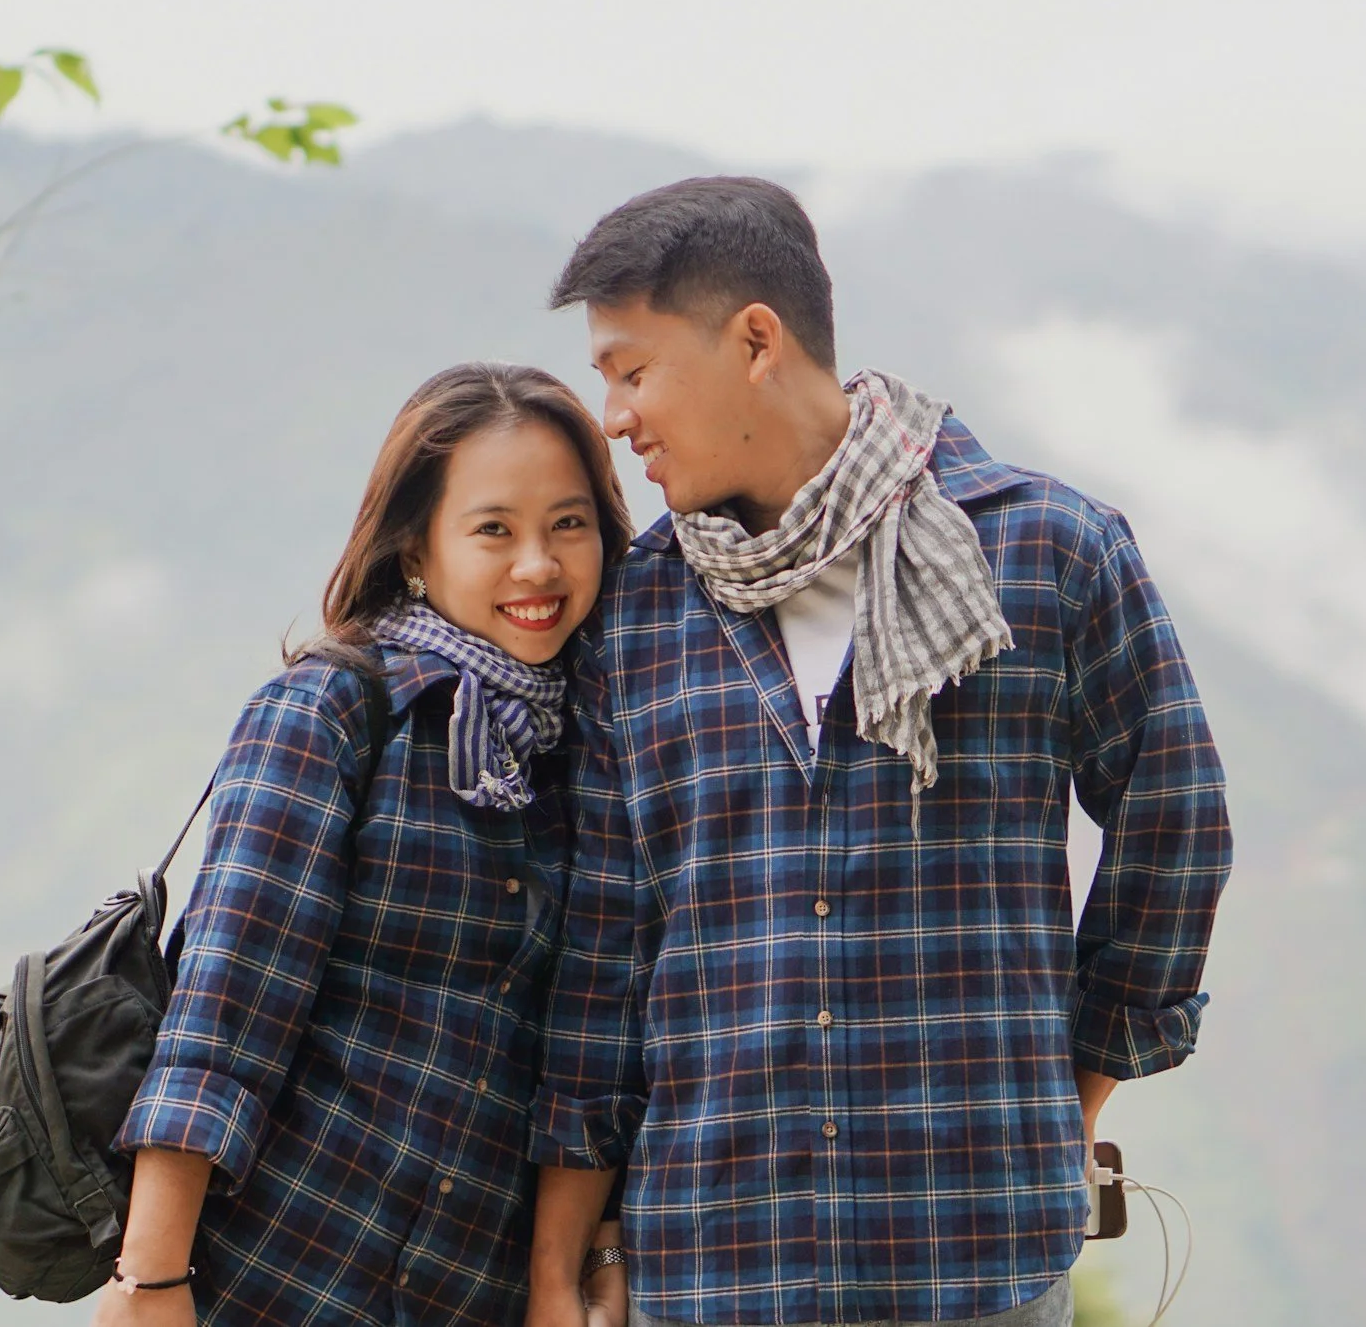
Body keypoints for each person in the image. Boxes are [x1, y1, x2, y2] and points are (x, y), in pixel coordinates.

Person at [524, 179, 1233, 1327]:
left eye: (631, 368)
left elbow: (1178, 821)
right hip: (710, 1270)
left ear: (756, 339)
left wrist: (1068, 1092)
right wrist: (567, 1262)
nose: (612, 415)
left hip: (977, 1260)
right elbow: (604, 959)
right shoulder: (641, 615)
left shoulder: (1044, 549)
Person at [97, 363, 635, 1327]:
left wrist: (586, 1260)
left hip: (467, 1296)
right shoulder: (333, 712)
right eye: (493, 529)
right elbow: (226, 1010)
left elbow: (588, 1058)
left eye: (568, 523)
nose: (539, 567)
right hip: (267, 1277)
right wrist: (150, 1281)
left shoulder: (592, 757)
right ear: (418, 550)